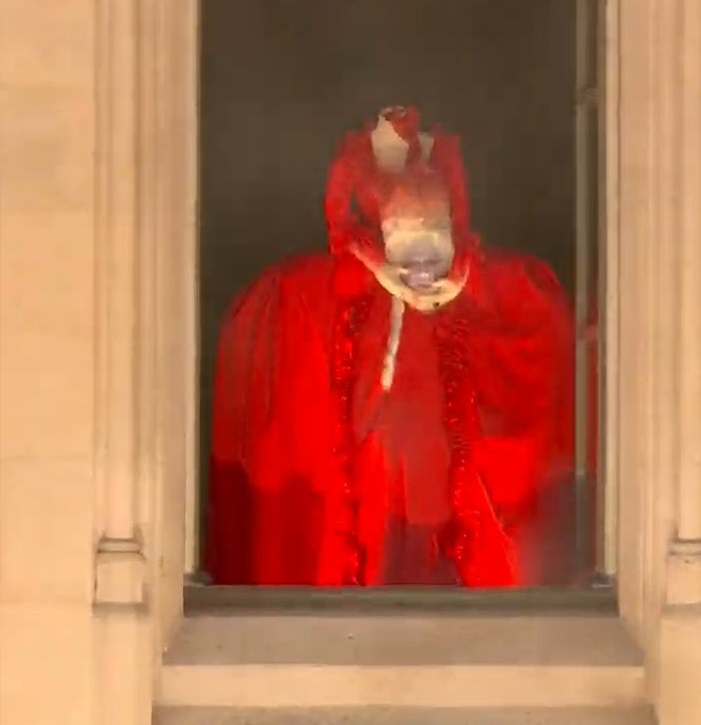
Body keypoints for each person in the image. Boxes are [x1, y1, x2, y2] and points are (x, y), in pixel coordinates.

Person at [207, 105, 577, 585]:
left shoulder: (498, 293)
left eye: (433, 238)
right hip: (375, 495)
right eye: (402, 235)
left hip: (438, 509)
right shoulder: (309, 298)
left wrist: (463, 278)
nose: (419, 260)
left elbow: (532, 320)